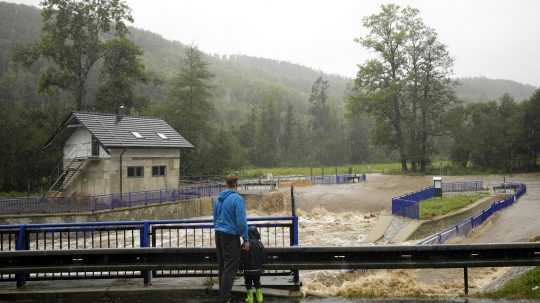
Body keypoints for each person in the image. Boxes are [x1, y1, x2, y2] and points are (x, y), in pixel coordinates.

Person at [213, 175, 249, 303]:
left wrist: (219, 228)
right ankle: (224, 299)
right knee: (230, 268)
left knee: (222, 266)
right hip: (230, 235)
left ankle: (224, 297)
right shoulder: (237, 199)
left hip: (218, 234)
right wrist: (245, 238)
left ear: (226, 184)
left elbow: (215, 218)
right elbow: (241, 221)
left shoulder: (218, 199)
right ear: (236, 184)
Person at [242, 226, 265, 303]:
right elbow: (263, 257)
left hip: (247, 270)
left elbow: (241, 257)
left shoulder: (245, 245)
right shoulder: (260, 244)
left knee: (248, 283)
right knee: (257, 282)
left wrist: (240, 267)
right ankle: (259, 298)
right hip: (257, 270)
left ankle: (250, 298)